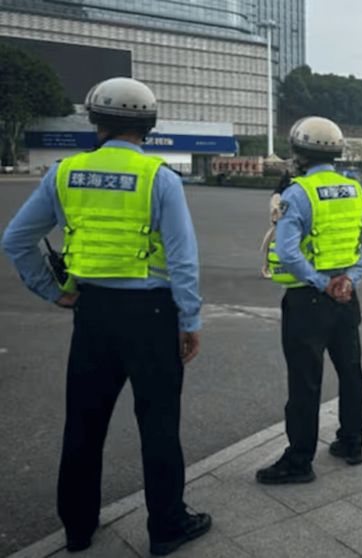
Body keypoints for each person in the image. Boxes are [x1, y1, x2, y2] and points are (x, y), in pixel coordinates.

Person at [0, 77, 210, 556]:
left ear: (96, 121)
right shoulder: (161, 179)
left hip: (92, 313)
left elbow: (15, 240)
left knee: (84, 422)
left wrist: (52, 291)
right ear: (148, 127)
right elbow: (182, 261)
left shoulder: (63, 173)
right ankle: (166, 528)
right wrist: (190, 321)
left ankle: (77, 528)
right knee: (158, 424)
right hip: (153, 316)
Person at [256, 116, 362, 484]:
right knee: (351, 371)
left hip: (308, 300)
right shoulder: (356, 190)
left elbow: (288, 252)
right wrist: (348, 280)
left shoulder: (298, 193)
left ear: (298, 153)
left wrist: (321, 282)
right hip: (346, 297)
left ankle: (299, 460)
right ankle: (351, 442)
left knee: (305, 381)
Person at [261, 170, 293, 278]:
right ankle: (266, 268)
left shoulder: (288, 195)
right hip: (278, 228)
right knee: (271, 251)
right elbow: (276, 212)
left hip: (286, 227)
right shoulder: (278, 196)